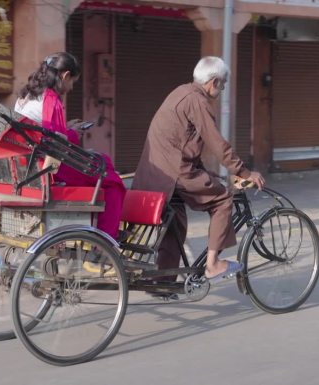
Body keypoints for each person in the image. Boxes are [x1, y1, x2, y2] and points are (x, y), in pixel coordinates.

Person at [132, 56, 265, 282]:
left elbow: (186, 145)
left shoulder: (180, 92)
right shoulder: (198, 101)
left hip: (158, 174)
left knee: (176, 221)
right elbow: (217, 143)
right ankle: (212, 265)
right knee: (223, 199)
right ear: (213, 82)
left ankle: (162, 281)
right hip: (175, 173)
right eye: (222, 84)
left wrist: (210, 174)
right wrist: (244, 171)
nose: (222, 89)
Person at [14, 52, 126, 240]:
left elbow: (45, 133)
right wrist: (73, 134)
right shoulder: (51, 99)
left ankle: (101, 229)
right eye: (72, 81)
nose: (71, 87)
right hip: (47, 169)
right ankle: (105, 239)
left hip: (29, 165)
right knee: (112, 181)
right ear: (65, 76)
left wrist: (68, 130)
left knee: (102, 161)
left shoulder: (27, 95)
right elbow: (56, 146)